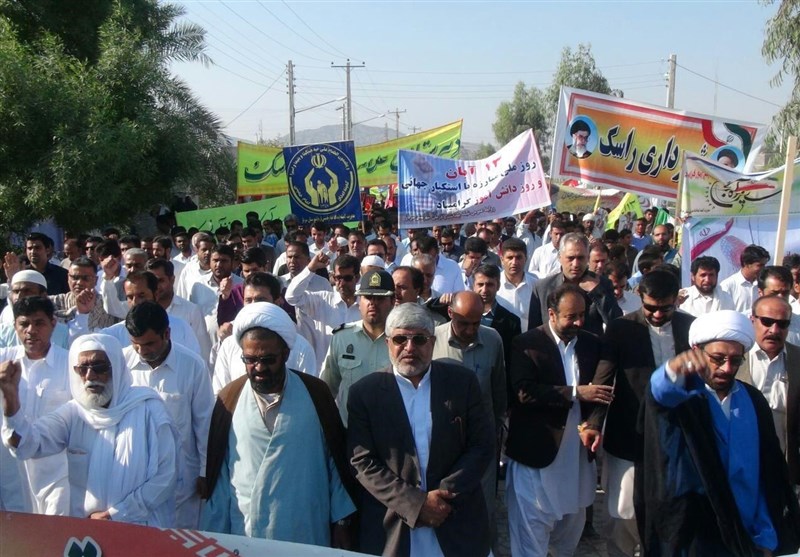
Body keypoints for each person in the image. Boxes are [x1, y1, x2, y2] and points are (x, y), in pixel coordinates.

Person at [638, 310, 800, 555]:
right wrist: (671, 370)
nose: (726, 368)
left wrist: (767, 536)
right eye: (717, 358)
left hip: (748, 532)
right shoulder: (685, 397)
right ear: (696, 352)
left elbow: (769, 473)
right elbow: (660, 394)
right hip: (696, 533)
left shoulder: (752, 399)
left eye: (735, 360)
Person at [201, 308, 357, 548]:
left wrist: (342, 522)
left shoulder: (316, 393)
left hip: (306, 530)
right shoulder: (229, 398)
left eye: (267, 360)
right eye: (250, 360)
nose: (259, 368)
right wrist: (216, 538)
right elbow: (220, 478)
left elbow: (335, 463)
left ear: (285, 354)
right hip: (247, 533)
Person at [347, 303, 494, 556]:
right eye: (400, 339)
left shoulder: (462, 383)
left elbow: (481, 445)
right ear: (388, 343)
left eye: (419, 339)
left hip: (456, 519)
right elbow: (362, 462)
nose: (409, 348)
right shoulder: (365, 393)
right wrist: (416, 504)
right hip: (395, 526)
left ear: (433, 342)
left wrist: (442, 498)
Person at [0, 334, 179, 526]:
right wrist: (11, 399)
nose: (90, 376)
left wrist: (117, 514)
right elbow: (26, 445)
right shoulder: (74, 413)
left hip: (143, 527)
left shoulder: (149, 409)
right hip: (88, 531)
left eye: (99, 367)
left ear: (116, 367)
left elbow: (165, 476)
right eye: (82, 369)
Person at [588, 271, 694, 556]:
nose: (658, 315)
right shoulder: (621, 329)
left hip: (678, 437)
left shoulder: (691, 328)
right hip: (630, 433)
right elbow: (604, 379)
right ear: (640, 297)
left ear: (677, 300)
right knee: (623, 513)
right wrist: (594, 424)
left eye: (665, 308)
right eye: (651, 308)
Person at [505, 284, 609, 557]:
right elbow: (524, 392)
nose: (578, 322)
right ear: (551, 314)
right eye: (570, 316)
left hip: (576, 457)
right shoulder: (527, 344)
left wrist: (593, 424)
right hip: (536, 454)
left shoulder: (592, 344)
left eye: (582, 315)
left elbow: (601, 393)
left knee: (569, 533)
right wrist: (575, 393)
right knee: (531, 534)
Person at [123, 301, 213, 529]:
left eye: (149, 343)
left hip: (182, 480)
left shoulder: (192, 366)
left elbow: (204, 423)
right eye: (136, 344)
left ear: (167, 334)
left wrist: (205, 472)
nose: (142, 351)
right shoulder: (121, 365)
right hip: (134, 479)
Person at [432, 290, 507, 535]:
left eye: (476, 323)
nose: (470, 330)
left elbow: (498, 390)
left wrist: (496, 430)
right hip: (442, 441)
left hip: (481, 440)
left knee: (483, 507)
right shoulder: (432, 339)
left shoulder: (493, 340)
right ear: (450, 313)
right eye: (464, 323)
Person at [0, 297, 70, 515]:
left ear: (53, 324)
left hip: (58, 474)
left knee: (54, 531)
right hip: (13, 474)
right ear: (15, 326)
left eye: (39, 323)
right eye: (24, 324)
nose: (31, 330)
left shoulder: (70, 364)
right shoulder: (4, 361)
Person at [212, 276, 317, 393]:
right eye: (248, 300)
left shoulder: (300, 347)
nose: (253, 305)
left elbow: (307, 393)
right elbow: (221, 393)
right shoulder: (229, 344)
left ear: (277, 302)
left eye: (260, 300)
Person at [320, 270, 394, 425]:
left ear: (393, 301)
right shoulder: (342, 337)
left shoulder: (401, 341)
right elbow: (326, 389)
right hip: (351, 429)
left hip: (390, 429)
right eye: (367, 297)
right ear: (359, 301)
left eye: (380, 298)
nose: (373, 303)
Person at [527, 232, 621, 336]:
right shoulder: (542, 288)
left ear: (588, 258)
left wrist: (597, 292)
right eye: (570, 258)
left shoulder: (602, 284)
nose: (576, 264)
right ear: (560, 257)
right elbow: (533, 332)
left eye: (580, 258)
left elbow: (617, 323)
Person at [285, 252, 361, 361]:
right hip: (324, 369)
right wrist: (311, 268)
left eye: (347, 278)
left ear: (357, 278)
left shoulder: (365, 306)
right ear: (333, 277)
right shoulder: (322, 300)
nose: (342, 283)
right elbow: (291, 297)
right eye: (338, 278)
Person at [145, 258, 210, 363]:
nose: (156, 286)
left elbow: (203, 353)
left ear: (172, 280)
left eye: (160, 281)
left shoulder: (191, 311)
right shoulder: (143, 313)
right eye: (152, 282)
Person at [496, 238, 537, 331]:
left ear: (525, 259)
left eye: (518, 257)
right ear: (502, 259)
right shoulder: (493, 286)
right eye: (510, 258)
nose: (514, 262)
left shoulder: (536, 286)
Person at [720, 244, 771, 314]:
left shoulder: (764, 284)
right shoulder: (727, 286)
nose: (763, 269)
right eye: (760, 265)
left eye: (764, 265)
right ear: (746, 264)